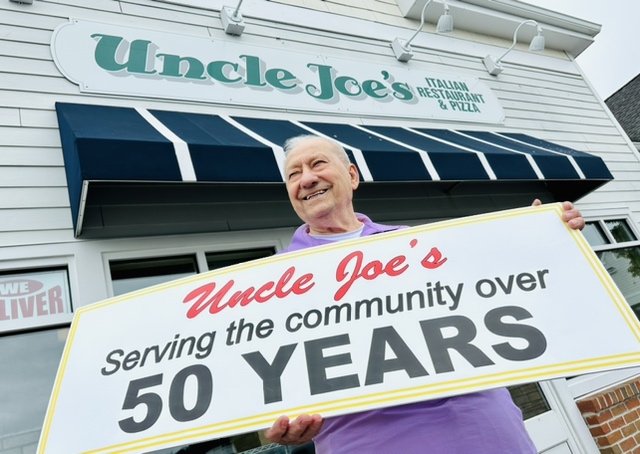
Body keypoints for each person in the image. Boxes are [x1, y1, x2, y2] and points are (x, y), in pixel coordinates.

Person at [264, 134, 585, 453]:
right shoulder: (272, 282)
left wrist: (545, 237)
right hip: (365, 441)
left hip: (480, 428)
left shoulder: (421, 244)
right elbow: (268, 375)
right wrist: (278, 419)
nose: (306, 179)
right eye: (293, 174)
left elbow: (504, 290)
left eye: (317, 163)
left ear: (351, 175)